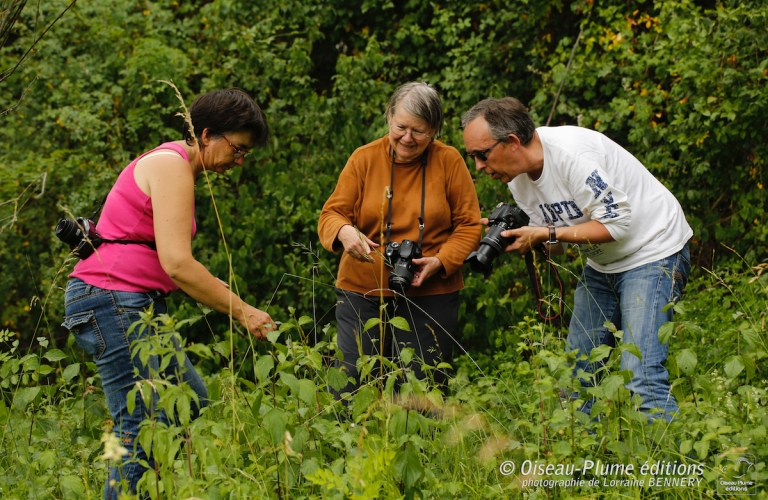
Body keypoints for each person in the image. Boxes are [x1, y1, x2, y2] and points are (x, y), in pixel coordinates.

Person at [61, 88, 275, 499]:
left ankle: (139, 481)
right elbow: (177, 262)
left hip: (132, 303)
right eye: (238, 149)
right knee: (139, 423)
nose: (239, 161)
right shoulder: (171, 165)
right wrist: (241, 310)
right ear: (207, 134)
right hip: (112, 299)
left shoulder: (177, 168)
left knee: (187, 399)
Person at [461, 97, 692, 420]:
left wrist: (546, 234)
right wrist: (525, 237)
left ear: (512, 142)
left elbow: (617, 224)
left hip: (652, 251)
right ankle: (586, 465)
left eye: (481, 155)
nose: (479, 167)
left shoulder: (572, 155)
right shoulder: (518, 181)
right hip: (602, 264)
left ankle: (669, 466)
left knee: (641, 374)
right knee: (576, 372)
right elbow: (556, 244)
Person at [318, 82, 481, 397]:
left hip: (431, 289)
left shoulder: (449, 161)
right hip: (362, 289)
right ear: (388, 118)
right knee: (353, 380)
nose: (407, 138)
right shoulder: (364, 159)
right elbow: (331, 215)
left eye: (418, 131)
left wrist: (442, 261)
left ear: (434, 130)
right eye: (401, 127)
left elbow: (469, 224)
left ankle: (423, 447)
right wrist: (344, 231)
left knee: (423, 385)